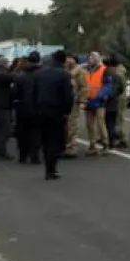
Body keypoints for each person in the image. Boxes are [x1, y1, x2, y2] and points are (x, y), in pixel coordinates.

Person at [33, 50, 76, 180]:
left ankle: (48, 168)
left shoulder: (40, 73)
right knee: (56, 140)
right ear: (63, 60)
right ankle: (52, 168)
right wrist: (67, 111)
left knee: (46, 139)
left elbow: (34, 92)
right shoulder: (63, 75)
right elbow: (68, 96)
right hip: (56, 111)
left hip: (41, 109)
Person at [13, 51, 42, 165]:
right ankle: (35, 155)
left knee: (22, 132)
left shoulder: (20, 76)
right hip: (37, 107)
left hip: (22, 108)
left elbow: (14, 93)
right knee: (36, 132)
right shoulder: (41, 75)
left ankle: (22, 155)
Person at [82, 52, 109, 155]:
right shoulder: (86, 70)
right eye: (89, 57)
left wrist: (101, 95)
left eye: (92, 57)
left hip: (99, 100)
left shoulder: (103, 69)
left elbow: (108, 85)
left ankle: (105, 143)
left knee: (100, 123)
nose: (90, 59)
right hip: (88, 99)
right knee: (89, 124)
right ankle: (92, 144)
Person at [0, 57, 15, 160]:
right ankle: (1, 150)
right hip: (2, 104)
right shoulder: (0, 72)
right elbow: (9, 78)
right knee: (5, 129)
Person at [64, 55, 89, 158]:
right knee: (64, 126)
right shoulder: (63, 70)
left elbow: (84, 88)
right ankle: (64, 146)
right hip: (63, 102)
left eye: (70, 59)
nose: (68, 61)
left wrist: (82, 101)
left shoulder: (80, 72)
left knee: (72, 125)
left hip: (74, 102)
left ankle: (71, 148)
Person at [104, 56, 129, 149]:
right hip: (120, 95)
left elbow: (120, 86)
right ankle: (120, 136)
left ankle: (123, 138)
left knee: (120, 118)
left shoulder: (117, 72)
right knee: (119, 118)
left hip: (119, 97)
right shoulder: (121, 70)